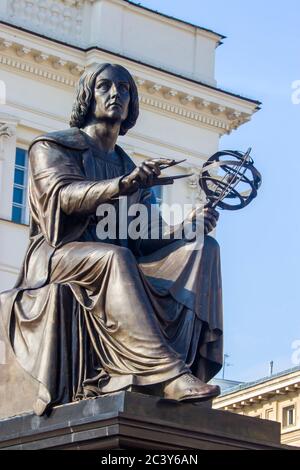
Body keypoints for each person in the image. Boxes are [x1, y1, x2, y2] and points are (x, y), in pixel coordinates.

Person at [0, 63, 223, 416]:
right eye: (104, 86)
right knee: (114, 257)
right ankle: (168, 374)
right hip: (57, 256)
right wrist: (125, 185)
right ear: (88, 96)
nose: (116, 94)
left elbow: (145, 236)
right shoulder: (52, 146)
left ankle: (185, 369)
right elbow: (63, 198)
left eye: (124, 88)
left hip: (114, 257)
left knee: (203, 247)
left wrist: (188, 228)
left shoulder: (127, 163)